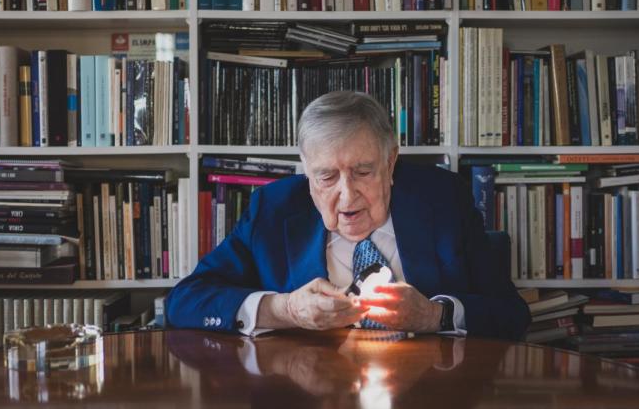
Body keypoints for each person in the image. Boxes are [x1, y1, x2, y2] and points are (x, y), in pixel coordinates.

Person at [166, 90, 530, 339]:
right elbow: (184, 301)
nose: (347, 194)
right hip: (308, 398)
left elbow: (512, 315)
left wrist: (434, 316)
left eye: (363, 171)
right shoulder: (273, 209)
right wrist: (286, 309)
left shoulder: (444, 199)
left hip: (425, 393)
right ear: (306, 171)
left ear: (390, 162)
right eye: (326, 177)